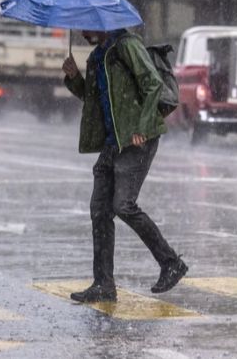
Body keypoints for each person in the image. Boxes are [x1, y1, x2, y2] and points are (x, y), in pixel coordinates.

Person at [61, 28, 187, 303]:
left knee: (123, 205)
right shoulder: (97, 56)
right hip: (113, 142)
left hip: (138, 139)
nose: (83, 33)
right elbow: (92, 99)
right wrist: (74, 78)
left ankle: (171, 263)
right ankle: (104, 284)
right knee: (100, 211)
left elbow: (153, 84)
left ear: (104, 25)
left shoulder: (128, 46)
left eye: (88, 27)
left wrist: (141, 127)